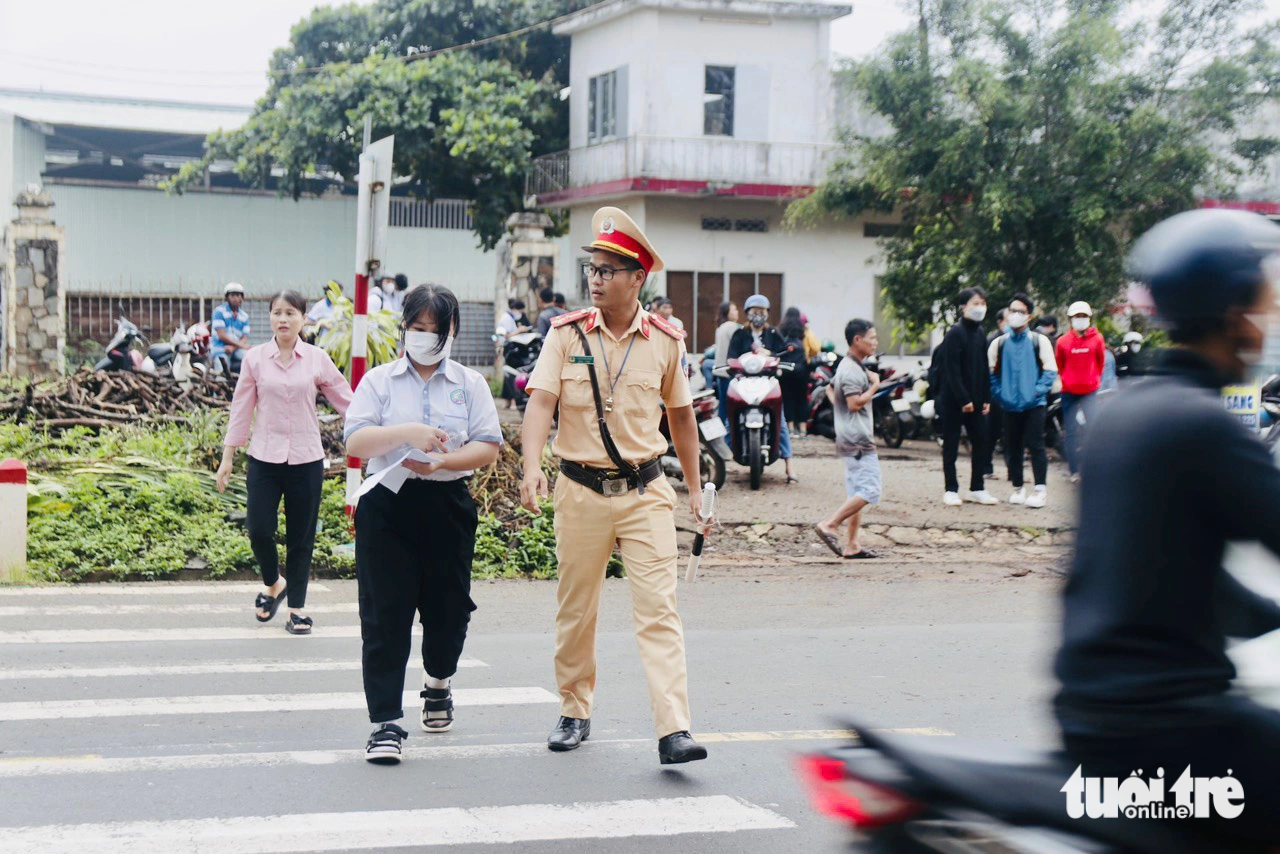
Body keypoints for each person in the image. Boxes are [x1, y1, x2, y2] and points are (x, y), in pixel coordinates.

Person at [1054, 208, 1280, 843]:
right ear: (1234, 316)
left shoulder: (1124, 414)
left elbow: (1184, 577)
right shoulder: (1202, 426)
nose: (1266, 326)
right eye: (1262, 306)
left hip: (1096, 712)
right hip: (1169, 727)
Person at [519, 206, 710, 766]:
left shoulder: (666, 341)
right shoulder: (565, 334)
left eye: (608, 269)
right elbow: (541, 403)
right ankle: (574, 710)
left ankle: (674, 728)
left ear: (637, 278)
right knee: (577, 609)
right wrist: (533, 464)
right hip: (579, 490)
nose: (596, 279)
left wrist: (696, 489)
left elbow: (682, 420)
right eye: (593, 269)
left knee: (659, 609)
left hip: (645, 491)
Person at [344, 285, 503, 764]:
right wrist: (406, 435)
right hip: (388, 507)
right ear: (404, 329)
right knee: (384, 614)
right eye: (417, 329)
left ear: (451, 331)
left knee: (449, 611)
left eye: (435, 330)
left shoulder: (470, 383)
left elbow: (488, 446)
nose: (425, 338)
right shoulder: (380, 382)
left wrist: (443, 461)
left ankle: (438, 681)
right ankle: (385, 723)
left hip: (447, 505)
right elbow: (356, 440)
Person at [216, 290, 353, 634]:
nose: (283, 319)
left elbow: (346, 400)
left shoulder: (317, 358)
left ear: (303, 319)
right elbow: (241, 409)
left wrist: (376, 433)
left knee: (300, 537)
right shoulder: (255, 359)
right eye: (277, 312)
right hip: (264, 457)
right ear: (270, 318)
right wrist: (228, 456)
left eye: (290, 313)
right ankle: (273, 582)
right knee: (259, 528)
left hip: (306, 459)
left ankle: (296, 609)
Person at [815, 319, 882, 560]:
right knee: (871, 490)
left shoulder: (849, 365)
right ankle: (830, 525)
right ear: (858, 340)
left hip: (848, 437)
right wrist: (875, 385)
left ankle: (852, 544)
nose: (875, 343)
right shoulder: (853, 370)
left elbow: (831, 390)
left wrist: (840, 412)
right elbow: (854, 404)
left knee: (857, 491)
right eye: (872, 338)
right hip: (859, 439)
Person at [988, 294, 1057, 508]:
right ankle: (1018, 487)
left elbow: (1050, 371)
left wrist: (1036, 392)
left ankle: (1040, 489)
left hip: (1034, 404)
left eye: (1021, 311)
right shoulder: (999, 344)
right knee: (1012, 446)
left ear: (1029, 316)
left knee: (1036, 444)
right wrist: (1001, 394)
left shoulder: (1039, 341)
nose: (1015, 315)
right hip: (1009, 404)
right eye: (1012, 311)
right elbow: (991, 374)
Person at [729, 294, 799, 483]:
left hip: (767, 382)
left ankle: (789, 467)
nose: (758, 315)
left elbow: (784, 354)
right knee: (728, 419)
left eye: (762, 312)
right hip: (743, 381)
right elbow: (731, 357)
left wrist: (771, 354)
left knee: (781, 421)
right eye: (754, 312)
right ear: (747, 314)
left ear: (767, 314)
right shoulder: (739, 334)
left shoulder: (774, 334)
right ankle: (723, 459)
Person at [936, 287, 996, 506]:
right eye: (975, 303)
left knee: (981, 442)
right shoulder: (954, 334)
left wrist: (987, 398)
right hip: (954, 401)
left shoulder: (980, 333)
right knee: (951, 443)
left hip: (978, 400)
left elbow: (983, 368)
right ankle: (951, 489)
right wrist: (964, 399)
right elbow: (951, 371)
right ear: (963, 307)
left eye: (982, 303)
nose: (980, 308)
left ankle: (977, 488)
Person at [1054, 301, 1106, 483]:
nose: (1080, 320)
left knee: (1093, 429)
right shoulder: (1062, 342)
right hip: (1069, 392)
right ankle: (1074, 470)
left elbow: (1100, 362)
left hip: (1090, 391)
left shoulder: (1098, 339)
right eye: (1077, 316)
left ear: (1089, 318)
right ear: (1070, 319)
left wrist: (1093, 380)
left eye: (1084, 316)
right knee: (1071, 432)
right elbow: (1059, 364)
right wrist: (1068, 380)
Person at [777, 307, 811, 437]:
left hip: (786, 370)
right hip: (801, 371)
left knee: (787, 398)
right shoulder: (803, 331)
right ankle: (803, 429)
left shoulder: (781, 331)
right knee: (802, 399)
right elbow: (815, 347)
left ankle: (790, 428)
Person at [211, 282, 252, 373]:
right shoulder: (219, 312)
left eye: (238, 295)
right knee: (222, 372)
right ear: (227, 297)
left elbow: (244, 337)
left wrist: (233, 348)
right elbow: (221, 335)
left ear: (242, 297)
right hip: (221, 349)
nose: (235, 298)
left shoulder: (244, 316)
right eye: (232, 295)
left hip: (236, 349)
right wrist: (241, 345)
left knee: (251, 359)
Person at [496, 298, 530, 409]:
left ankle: (509, 401)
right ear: (515, 309)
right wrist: (519, 331)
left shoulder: (510, 318)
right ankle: (513, 401)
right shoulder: (506, 319)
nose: (520, 313)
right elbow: (504, 335)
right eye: (520, 311)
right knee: (511, 375)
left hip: (513, 350)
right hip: (509, 350)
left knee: (509, 375)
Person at [712, 301, 740, 427]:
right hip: (729, 371)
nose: (737, 312)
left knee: (723, 404)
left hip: (720, 370)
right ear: (727, 313)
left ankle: (719, 431)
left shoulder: (720, 327)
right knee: (729, 405)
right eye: (733, 310)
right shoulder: (732, 327)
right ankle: (727, 431)